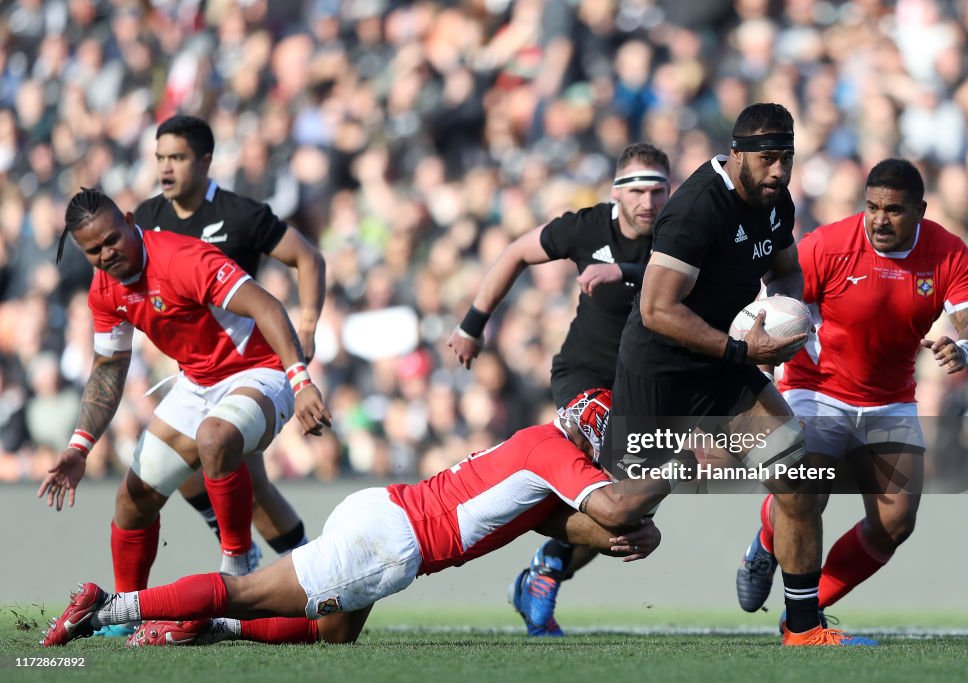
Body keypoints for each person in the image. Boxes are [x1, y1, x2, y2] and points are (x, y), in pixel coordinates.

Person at [41, 389, 668, 648]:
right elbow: (610, 505)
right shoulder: (554, 451)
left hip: (383, 512)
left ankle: (197, 627)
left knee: (334, 635)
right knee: (250, 591)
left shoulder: (539, 446)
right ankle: (110, 606)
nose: (612, 462)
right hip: (395, 541)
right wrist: (678, 472)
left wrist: (616, 536)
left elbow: (554, 520)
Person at [601, 102, 875, 646]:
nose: (778, 171)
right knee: (622, 513)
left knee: (795, 476)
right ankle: (545, 545)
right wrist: (738, 348)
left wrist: (786, 318)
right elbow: (658, 310)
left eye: (787, 159)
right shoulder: (696, 210)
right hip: (661, 373)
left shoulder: (777, 204)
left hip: (727, 368)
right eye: (768, 158)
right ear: (738, 154)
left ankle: (803, 629)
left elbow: (787, 270)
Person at [39, 189, 332, 630]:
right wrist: (80, 447)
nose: (106, 254)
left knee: (215, 438)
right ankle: (125, 612)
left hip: (262, 371)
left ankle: (238, 562)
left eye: (111, 240)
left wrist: (301, 380)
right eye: (93, 250)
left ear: (130, 220)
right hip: (197, 384)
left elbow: (267, 306)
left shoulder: (182, 258)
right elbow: (108, 369)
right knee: (132, 499)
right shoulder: (104, 290)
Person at [734, 159, 968, 621]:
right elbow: (777, 299)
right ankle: (769, 546)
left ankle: (809, 606)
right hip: (815, 388)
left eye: (893, 210)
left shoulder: (947, 252)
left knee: (895, 523)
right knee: (807, 497)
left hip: (890, 398)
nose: (879, 219)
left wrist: (967, 347)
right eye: (872, 206)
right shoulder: (829, 245)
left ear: (920, 210)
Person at [448, 142, 671, 636]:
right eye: (637, 190)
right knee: (603, 460)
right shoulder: (587, 227)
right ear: (617, 193)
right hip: (584, 376)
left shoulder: (680, 234)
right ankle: (541, 567)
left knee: (627, 512)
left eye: (658, 189)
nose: (648, 202)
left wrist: (625, 273)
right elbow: (515, 252)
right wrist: (471, 324)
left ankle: (543, 570)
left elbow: (695, 284)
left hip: (647, 390)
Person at [134, 115, 325, 567]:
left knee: (228, 471)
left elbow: (307, 257)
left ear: (205, 161)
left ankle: (288, 570)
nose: (165, 168)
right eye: (160, 158)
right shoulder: (147, 218)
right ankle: (300, 570)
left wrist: (309, 325)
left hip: (248, 368)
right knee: (205, 473)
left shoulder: (240, 215)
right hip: (195, 371)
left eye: (176, 158)